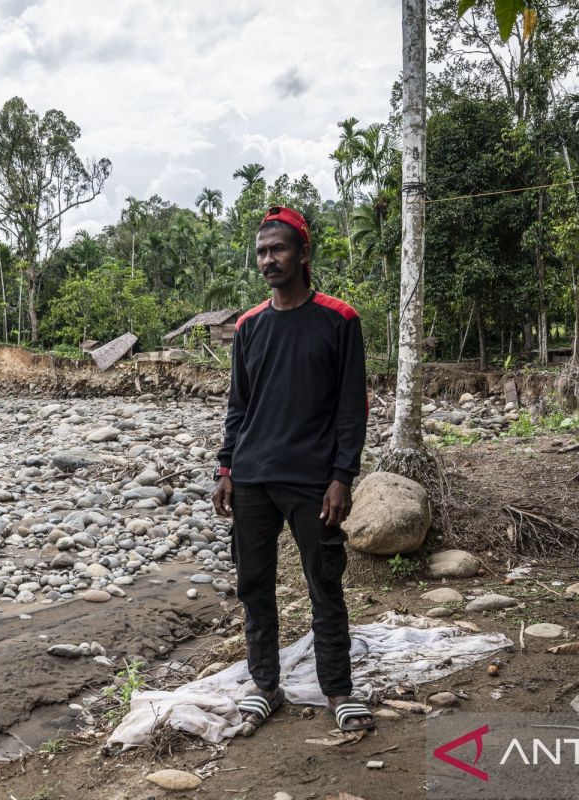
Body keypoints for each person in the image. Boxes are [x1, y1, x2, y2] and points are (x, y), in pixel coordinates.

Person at [211, 205, 375, 733]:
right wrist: (225, 468)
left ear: (303, 253)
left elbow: (352, 408)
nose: (268, 260)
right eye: (261, 252)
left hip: (313, 481)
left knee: (324, 584)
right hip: (252, 478)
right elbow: (239, 404)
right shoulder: (249, 325)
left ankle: (338, 691)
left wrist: (342, 476)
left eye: (277, 249)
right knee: (254, 587)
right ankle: (265, 686)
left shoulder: (339, 319)